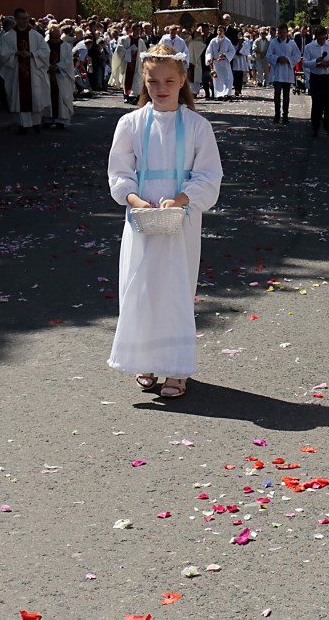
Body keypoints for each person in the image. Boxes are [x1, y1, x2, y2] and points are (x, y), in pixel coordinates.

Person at [105, 45, 223, 399]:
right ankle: (144, 359)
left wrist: (183, 198)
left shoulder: (198, 126)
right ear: (144, 80)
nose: (161, 87)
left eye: (169, 80)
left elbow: (208, 174)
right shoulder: (130, 123)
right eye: (153, 80)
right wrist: (134, 199)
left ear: (183, 80)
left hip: (181, 219)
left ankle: (175, 368)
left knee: (175, 289)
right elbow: (119, 171)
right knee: (139, 286)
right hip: (141, 218)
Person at [0, 8, 50, 134]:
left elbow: (45, 51)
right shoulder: (7, 37)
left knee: (36, 97)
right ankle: (23, 125)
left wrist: (32, 54)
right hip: (16, 72)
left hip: (34, 71)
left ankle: (36, 123)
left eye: (27, 18)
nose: (26, 21)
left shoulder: (36, 36)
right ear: (16, 20)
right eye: (22, 18)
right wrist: (16, 53)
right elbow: (2, 53)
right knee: (19, 98)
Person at [302, 26, 329, 137]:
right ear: (316, 37)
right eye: (320, 38)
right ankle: (315, 127)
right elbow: (305, 63)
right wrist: (316, 61)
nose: (323, 40)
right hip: (316, 77)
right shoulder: (309, 47)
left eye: (324, 38)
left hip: (327, 77)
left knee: (327, 103)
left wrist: (328, 64)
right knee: (316, 103)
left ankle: (328, 127)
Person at [266, 24, 300, 125]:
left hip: (287, 72)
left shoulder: (292, 44)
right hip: (277, 72)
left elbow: (297, 56)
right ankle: (277, 115)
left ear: (287, 32)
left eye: (284, 32)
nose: (282, 34)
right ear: (278, 33)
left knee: (286, 96)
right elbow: (268, 56)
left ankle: (285, 115)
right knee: (277, 95)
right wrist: (277, 58)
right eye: (280, 32)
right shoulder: (273, 43)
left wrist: (288, 60)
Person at [44, 24, 75, 129]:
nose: (55, 40)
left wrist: (57, 67)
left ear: (60, 35)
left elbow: (69, 61)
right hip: (47, 76)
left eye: (57, 37)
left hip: (61, 76)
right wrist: (49, 67)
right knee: (47, 95)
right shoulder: (44, 46)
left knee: (61, 97)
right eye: (53, 38)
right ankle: (48, 118)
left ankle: (61, 119)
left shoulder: (66, 46)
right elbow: (40, 59)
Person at [205, 25, 235, 101]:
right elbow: (209, 51)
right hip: (216, 63)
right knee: (217, 79)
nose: (219, 32)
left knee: (227, 78)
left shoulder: (227, 41)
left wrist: (225, 55)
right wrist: (209, 58)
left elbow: (232, 51)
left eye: (221, 30)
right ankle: (219, 94)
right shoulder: (213, 41)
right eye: (218, 30)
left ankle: (226, 94)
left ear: (224, 31)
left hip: (224, 63)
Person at [186, 31, 206, 97]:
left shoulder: (194, 42)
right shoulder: (191, 41)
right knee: (190, 77)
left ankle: (194, 92)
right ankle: (191, 91)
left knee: (195, 77)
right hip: (191, 60)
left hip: (196, 60)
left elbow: (203, 46)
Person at [231, 32, 251, 97]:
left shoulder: (245, 44)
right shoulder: (234, 44)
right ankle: (236, 88)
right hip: (236, 61)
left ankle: (239, 89)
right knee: (235, 75)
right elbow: (233, 52)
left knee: (240, 75)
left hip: (242, 61)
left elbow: (247, 52)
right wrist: (238, 50)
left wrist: (241, 49)